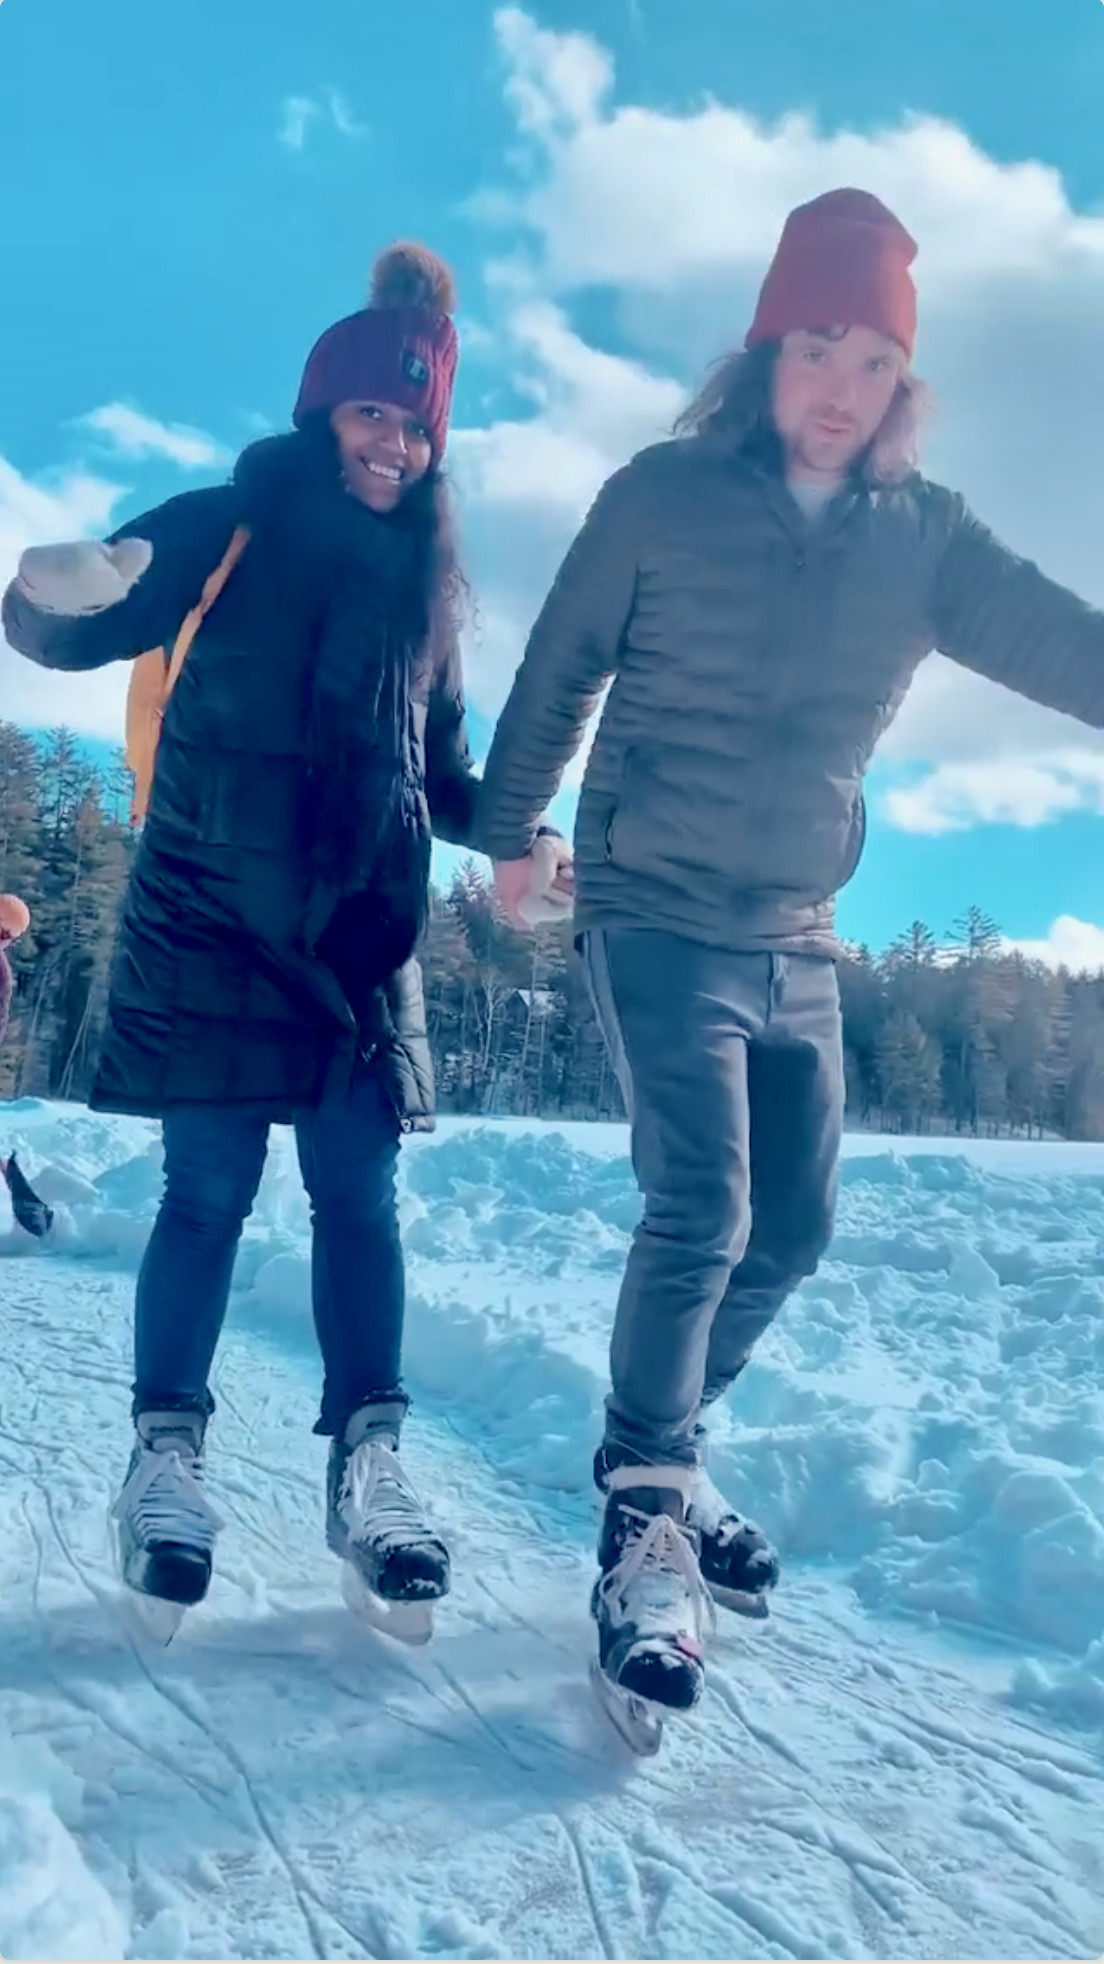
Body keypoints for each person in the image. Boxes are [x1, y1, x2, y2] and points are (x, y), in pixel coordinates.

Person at [480, 186, 1104, 1732]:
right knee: (703, 1202)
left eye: (874, 360)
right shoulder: (660, 496)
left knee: (797, 1227)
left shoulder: (926, 537)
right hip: (653, 899)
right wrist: (512, 829)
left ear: (904, 383)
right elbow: (560, 663)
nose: (841, 387)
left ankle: (661, 1451)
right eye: (817, 346)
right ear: (765, 349)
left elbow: (1061, 643)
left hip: (796, 928)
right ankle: (643, 1527)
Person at [3, 243, 561, 1639]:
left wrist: (520, 839)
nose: (392, 445)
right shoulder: (228, 521)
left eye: (416, 425)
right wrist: (50, 594)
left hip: (360, 937)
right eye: (372, 413)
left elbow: (444, 775)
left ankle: (370, 1465)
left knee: (358, 1197)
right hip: (208, 913)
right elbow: (86, 622)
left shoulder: (427, 595)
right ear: (324, 415)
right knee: (205, 1194)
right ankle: (165, 1461)